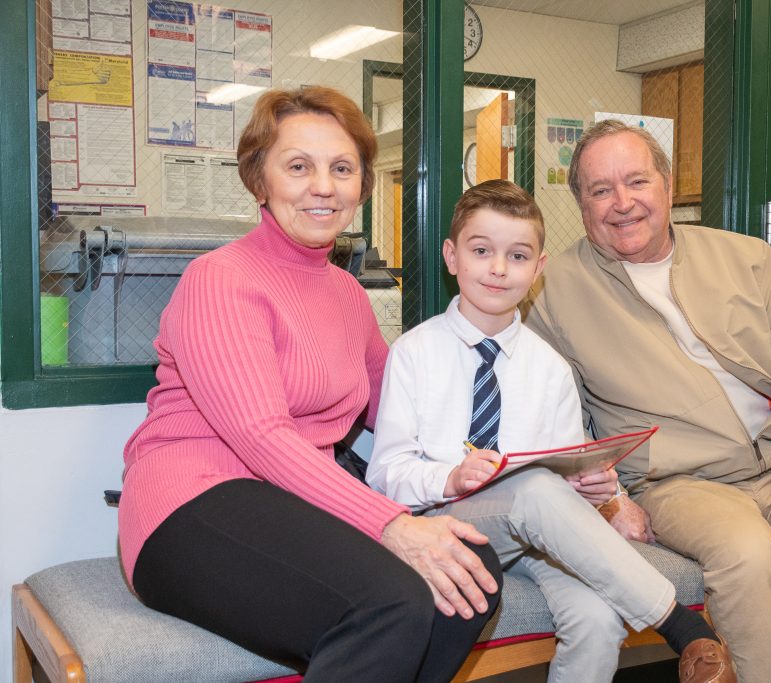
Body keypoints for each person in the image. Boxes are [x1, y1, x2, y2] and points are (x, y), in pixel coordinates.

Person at [118, 86, 502, 683]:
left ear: (362, 184)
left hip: (290, 503)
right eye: (299, 166)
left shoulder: (347, 293)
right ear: (260, 180)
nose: (323, 186)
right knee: (390, 601)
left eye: (342, 168)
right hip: (191, 505)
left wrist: (523, 458)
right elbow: (262, 437)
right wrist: (392, 523)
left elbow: (400, 404)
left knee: (472, 572)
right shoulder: (220, 279)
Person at [523, 119, 771, 683]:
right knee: (749, 557)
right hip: (678, 482)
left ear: (667, 185)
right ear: (581, 206)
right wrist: (610, 499)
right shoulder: (553, 291)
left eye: (636, 181)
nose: (622, 203)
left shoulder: (747, 258)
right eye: (600, 190)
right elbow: (554, 418)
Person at [367, 179, 736, 683]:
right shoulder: (414, 353)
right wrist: (449, 478)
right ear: (452, 257)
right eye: (482, 251)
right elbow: (385, 474)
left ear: (538, 269)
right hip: (446, 524)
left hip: (531, 539)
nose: (499, 268)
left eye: (517, 256)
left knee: (598, 619)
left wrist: (593, 487)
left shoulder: (550, 368)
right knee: (533, 488)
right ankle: (682, 626)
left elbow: (561, 477)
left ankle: (669, 625)